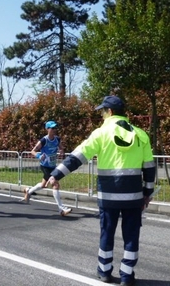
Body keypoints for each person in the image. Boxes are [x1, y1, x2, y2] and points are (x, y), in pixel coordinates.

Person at [47, 96, 156, 286]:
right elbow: (149, 168)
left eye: (102, 111)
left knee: (107, 232)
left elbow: (78, 157)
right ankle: (127, 275)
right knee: (131, 235)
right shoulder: (141, 135)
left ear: (110, 112)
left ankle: (104, 271)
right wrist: (148, 193)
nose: (101, 115)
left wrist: (57, 174)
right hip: (133, 196)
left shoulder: (101, 133)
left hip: (108, 197)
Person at [23, 120, 72, 216]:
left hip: (53, 166)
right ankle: (61, 209)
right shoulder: (43, 140)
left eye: (55, 128)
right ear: (47, 129)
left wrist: (62, 151)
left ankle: (28, 191)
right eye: (52, 128)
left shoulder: (57, 139)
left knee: (43, 185)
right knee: (55, 184)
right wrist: (38, 156)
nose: (54, 130)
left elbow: (61, 147)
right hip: (45, 166)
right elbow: (32, 151)